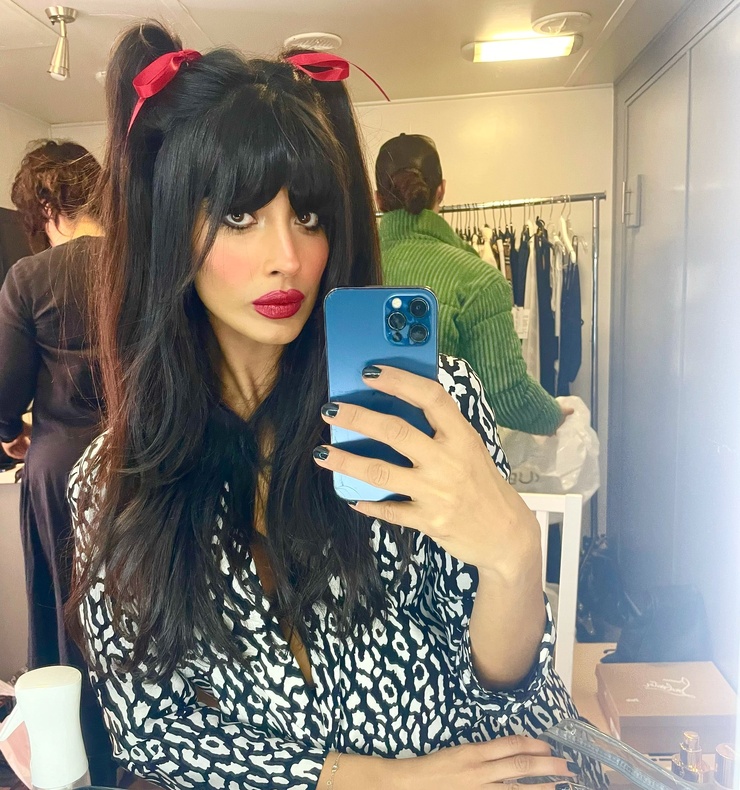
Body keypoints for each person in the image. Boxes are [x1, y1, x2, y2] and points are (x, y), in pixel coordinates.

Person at [67, 22, 599, 790]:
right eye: (241, 216)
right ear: (170, 229)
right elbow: (152, 731)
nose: (288, 256)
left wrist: (515, 556)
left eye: (309, 216)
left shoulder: (423, 404)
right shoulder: (114, 481)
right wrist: (385, 781)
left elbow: (499, 689)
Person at [0, 140, 116, 783]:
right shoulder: (145, 265)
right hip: (141, 464)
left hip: (59, 470)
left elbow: (3, 392)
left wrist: (12, 434)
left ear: (45, 208)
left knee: (64, 619)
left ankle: (83, 761)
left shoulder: (29, 278)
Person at [375, 133, 571, 436]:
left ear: (378, 198)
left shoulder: (341, 270)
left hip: (347, 455)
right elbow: (508, 398)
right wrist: (554, 416)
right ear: (441, 190)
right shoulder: (477, 281)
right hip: (437, 459)